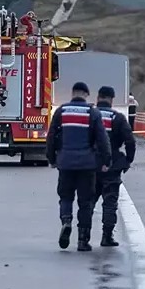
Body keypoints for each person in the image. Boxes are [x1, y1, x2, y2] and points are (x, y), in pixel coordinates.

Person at [46, 81, 112, 252]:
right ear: (85, 94)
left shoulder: (61, 111)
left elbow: (51, 136)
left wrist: (52, 158)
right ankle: (83, 240)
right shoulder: (92, 112)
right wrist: (106, 160)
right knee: (85, 202)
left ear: (73, 93)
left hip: (65, 163)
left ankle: (66, 221)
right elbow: (102, 139)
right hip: (87, 165)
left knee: (66, 197)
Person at [92, 86, 136, 247]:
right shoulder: (117, 118)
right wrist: (128, 161)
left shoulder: (90, 115)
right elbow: (130, 140)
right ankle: (107, 236)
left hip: (91, 164)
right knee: (110, 202)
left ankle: (83, 238)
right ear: (111, 99)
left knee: (88, 201)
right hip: (112, 165)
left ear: (98, 97)